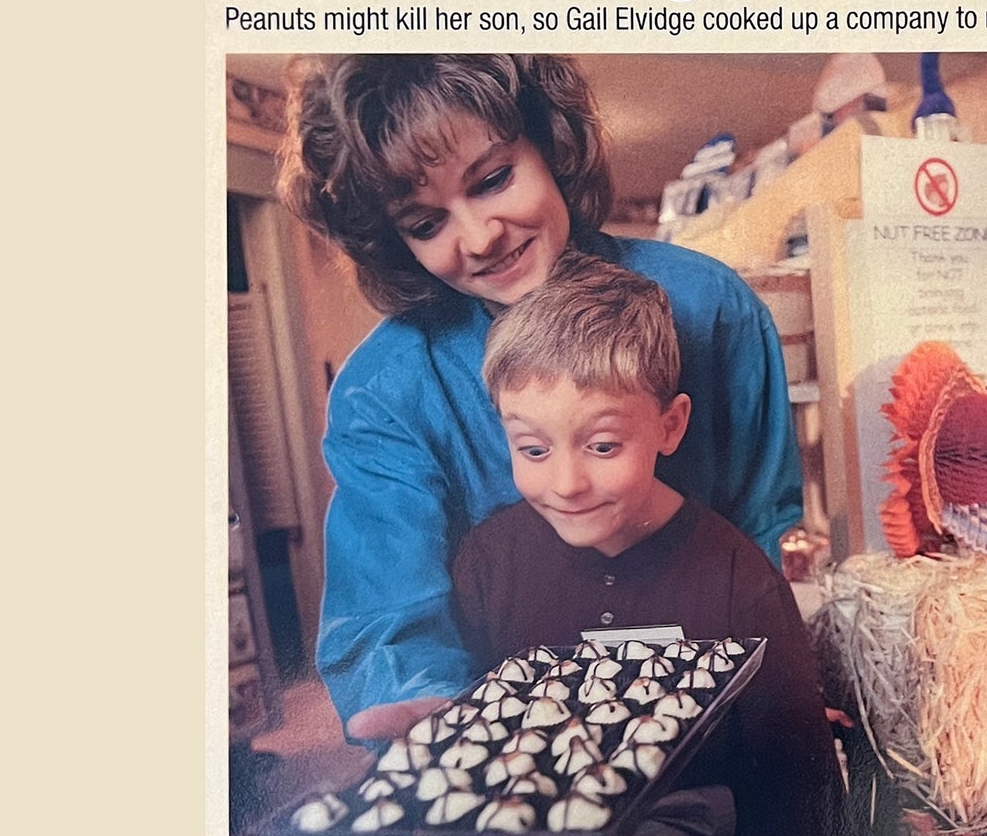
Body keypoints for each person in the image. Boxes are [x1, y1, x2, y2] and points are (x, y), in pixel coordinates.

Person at [279, 54, 802, 739]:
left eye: (493, 179)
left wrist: (780, 688)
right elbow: (388, 618)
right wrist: (435, 709)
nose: (479, 237)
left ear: (550, 143)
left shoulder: (711, 308)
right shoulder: (383, 393)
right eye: (425, 223)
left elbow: (759, 527)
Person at [451, 252, 843, 836]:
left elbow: (798, 782)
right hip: (523, 832)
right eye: (532, 449)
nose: (566, 482)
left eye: (603, 444)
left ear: (670, 425)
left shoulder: (736, 578)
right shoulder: (486, 565)